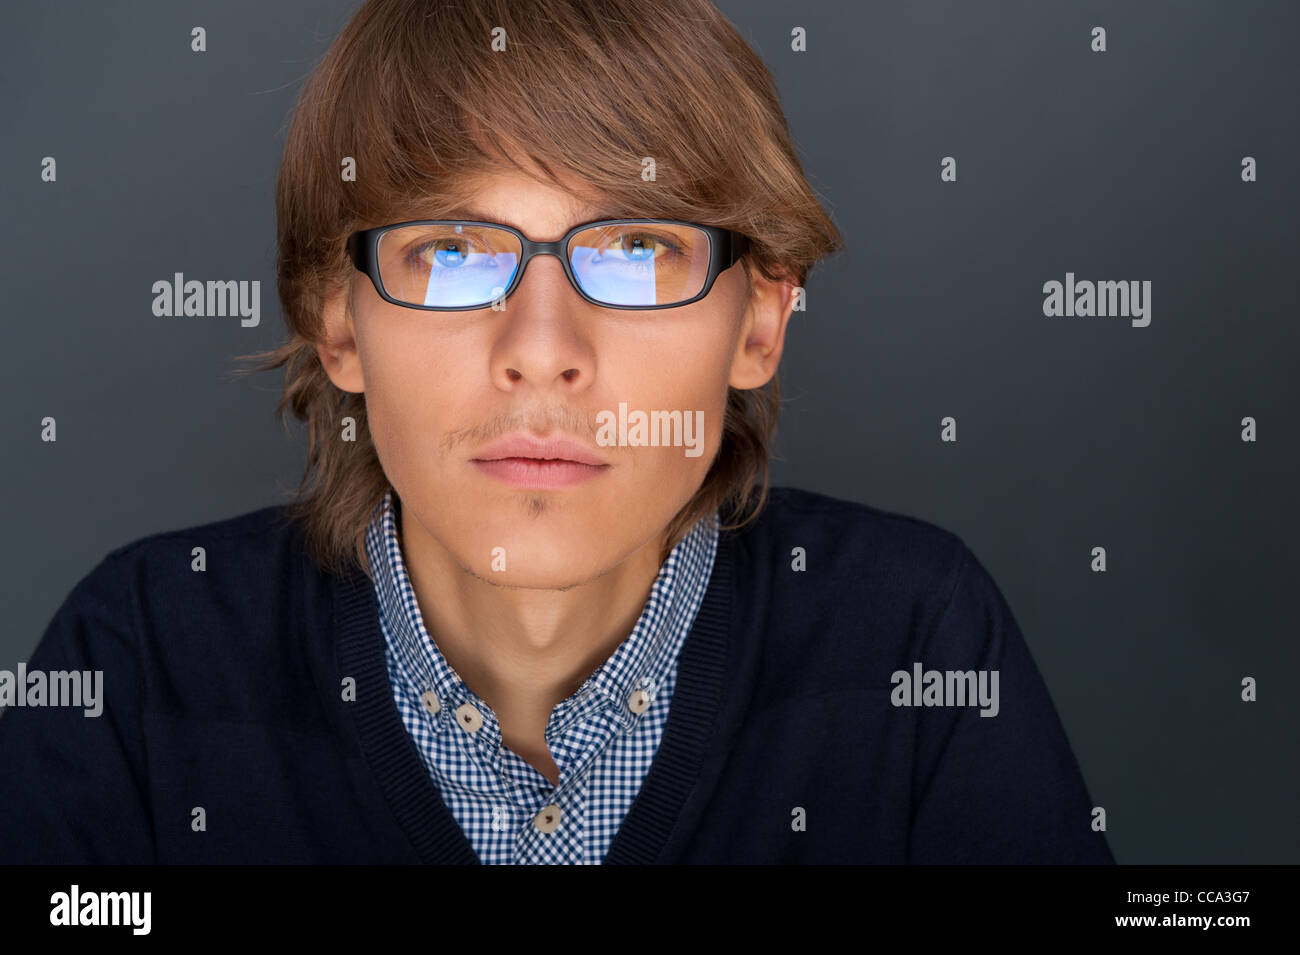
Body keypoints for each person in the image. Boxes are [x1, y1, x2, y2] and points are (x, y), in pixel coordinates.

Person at [0, 0, 1114, 864]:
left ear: (760, 321)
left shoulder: (914, 641)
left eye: (635, 250)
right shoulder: (136, 667)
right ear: (339, 325)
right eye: (452, 251)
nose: (539, 346)